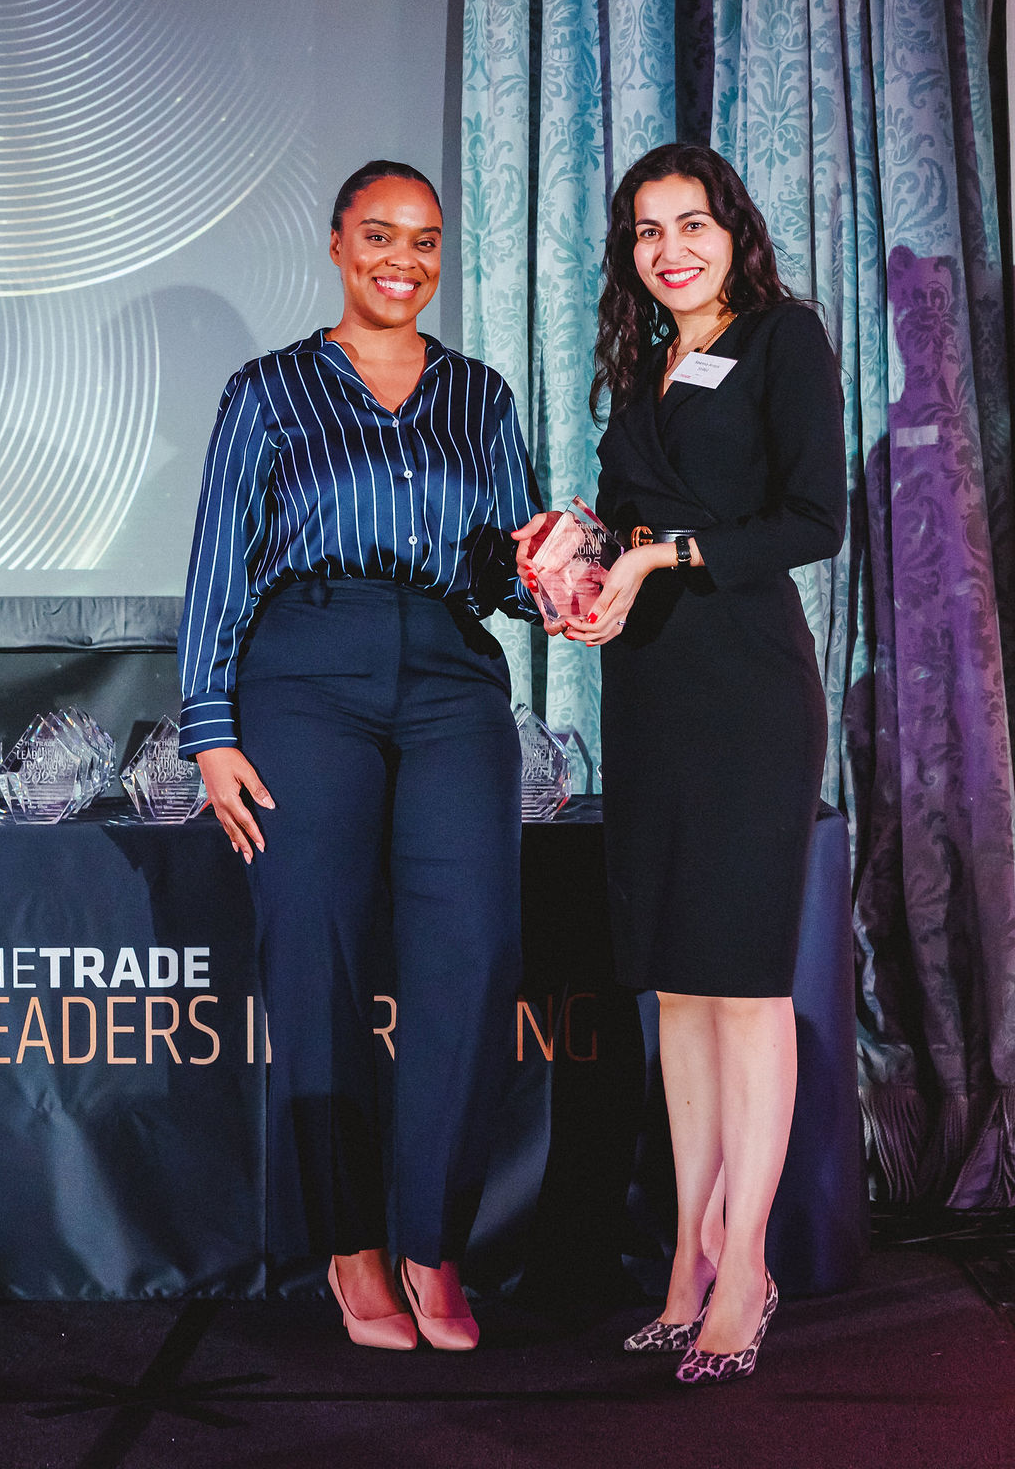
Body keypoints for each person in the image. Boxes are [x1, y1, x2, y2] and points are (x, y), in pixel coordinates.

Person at [178, 160, 541, 1351]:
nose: (403, 259)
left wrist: (556, 574)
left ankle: (434, 1242)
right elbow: (220, 560)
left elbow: (504, 567)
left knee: (474, 949)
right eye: (379, 235)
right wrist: (210, 728)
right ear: (337, 244)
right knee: (314, 948)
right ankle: (350, 1246)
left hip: (447, 675)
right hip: (304, 671)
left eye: (424, 240)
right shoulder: (268, 390)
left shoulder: (479, 395)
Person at [515, 143, 846, 1383]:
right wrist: (577, 560)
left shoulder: (780, 341)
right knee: (681, 989)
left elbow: (815, 518)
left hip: (747, 692)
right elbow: (629, 527)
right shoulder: (643, 364)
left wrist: (668, 557)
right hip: (650, 693)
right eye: (648, 231)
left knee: (743, 986)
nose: (671, 249)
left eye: (691, 224)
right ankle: (686, 1261)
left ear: (732, 230)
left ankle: (746, 1264)